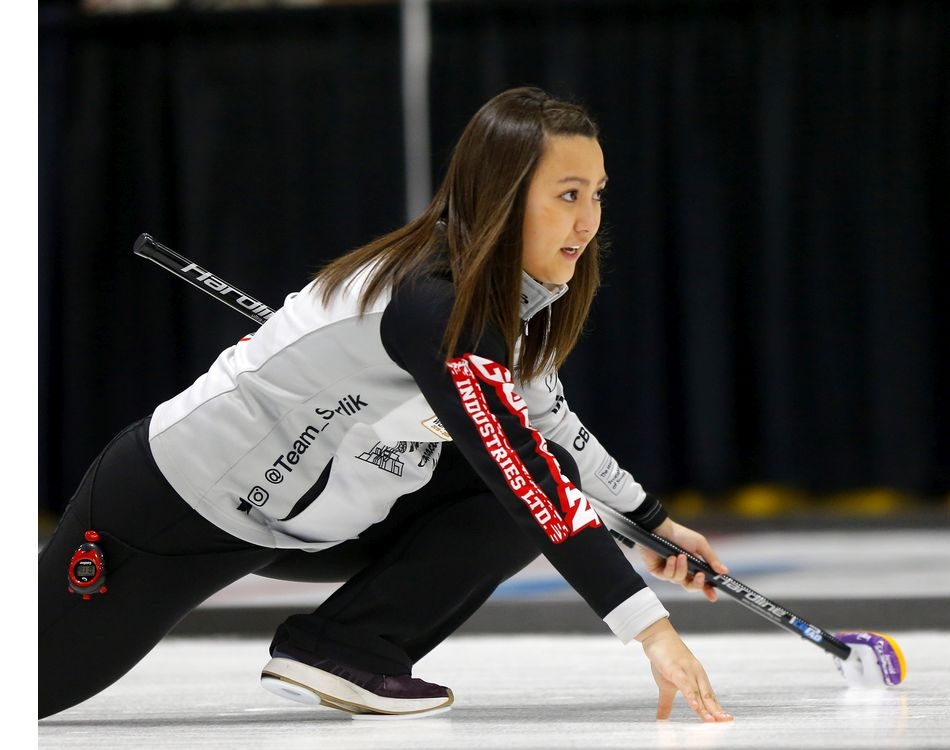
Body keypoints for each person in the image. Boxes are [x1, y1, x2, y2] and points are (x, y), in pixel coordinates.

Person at [38, 86, 733, 724]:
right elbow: (526, 476)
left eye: (598, 195)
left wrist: (652, 523)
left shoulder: (503, 303)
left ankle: (346, 648)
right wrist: (652, 631)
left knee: (540, 471)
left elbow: (549, 431)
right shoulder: (433, 305)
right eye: (568, 194)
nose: (587, 222)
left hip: (312, 520)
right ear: (502, 194)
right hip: (173, 511)